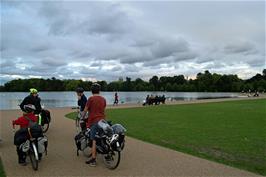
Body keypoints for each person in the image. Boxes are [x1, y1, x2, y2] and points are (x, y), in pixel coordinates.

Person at [82, 83, 106, 167]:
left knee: (94, 140)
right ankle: (106, 154)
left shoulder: (91, 99)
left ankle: (93, 159)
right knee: (102, 136)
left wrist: (82, 117)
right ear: (99, 90)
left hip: (94, 121)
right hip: (102, 121)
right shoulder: (103, 99)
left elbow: (85, 110)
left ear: (91, 91)